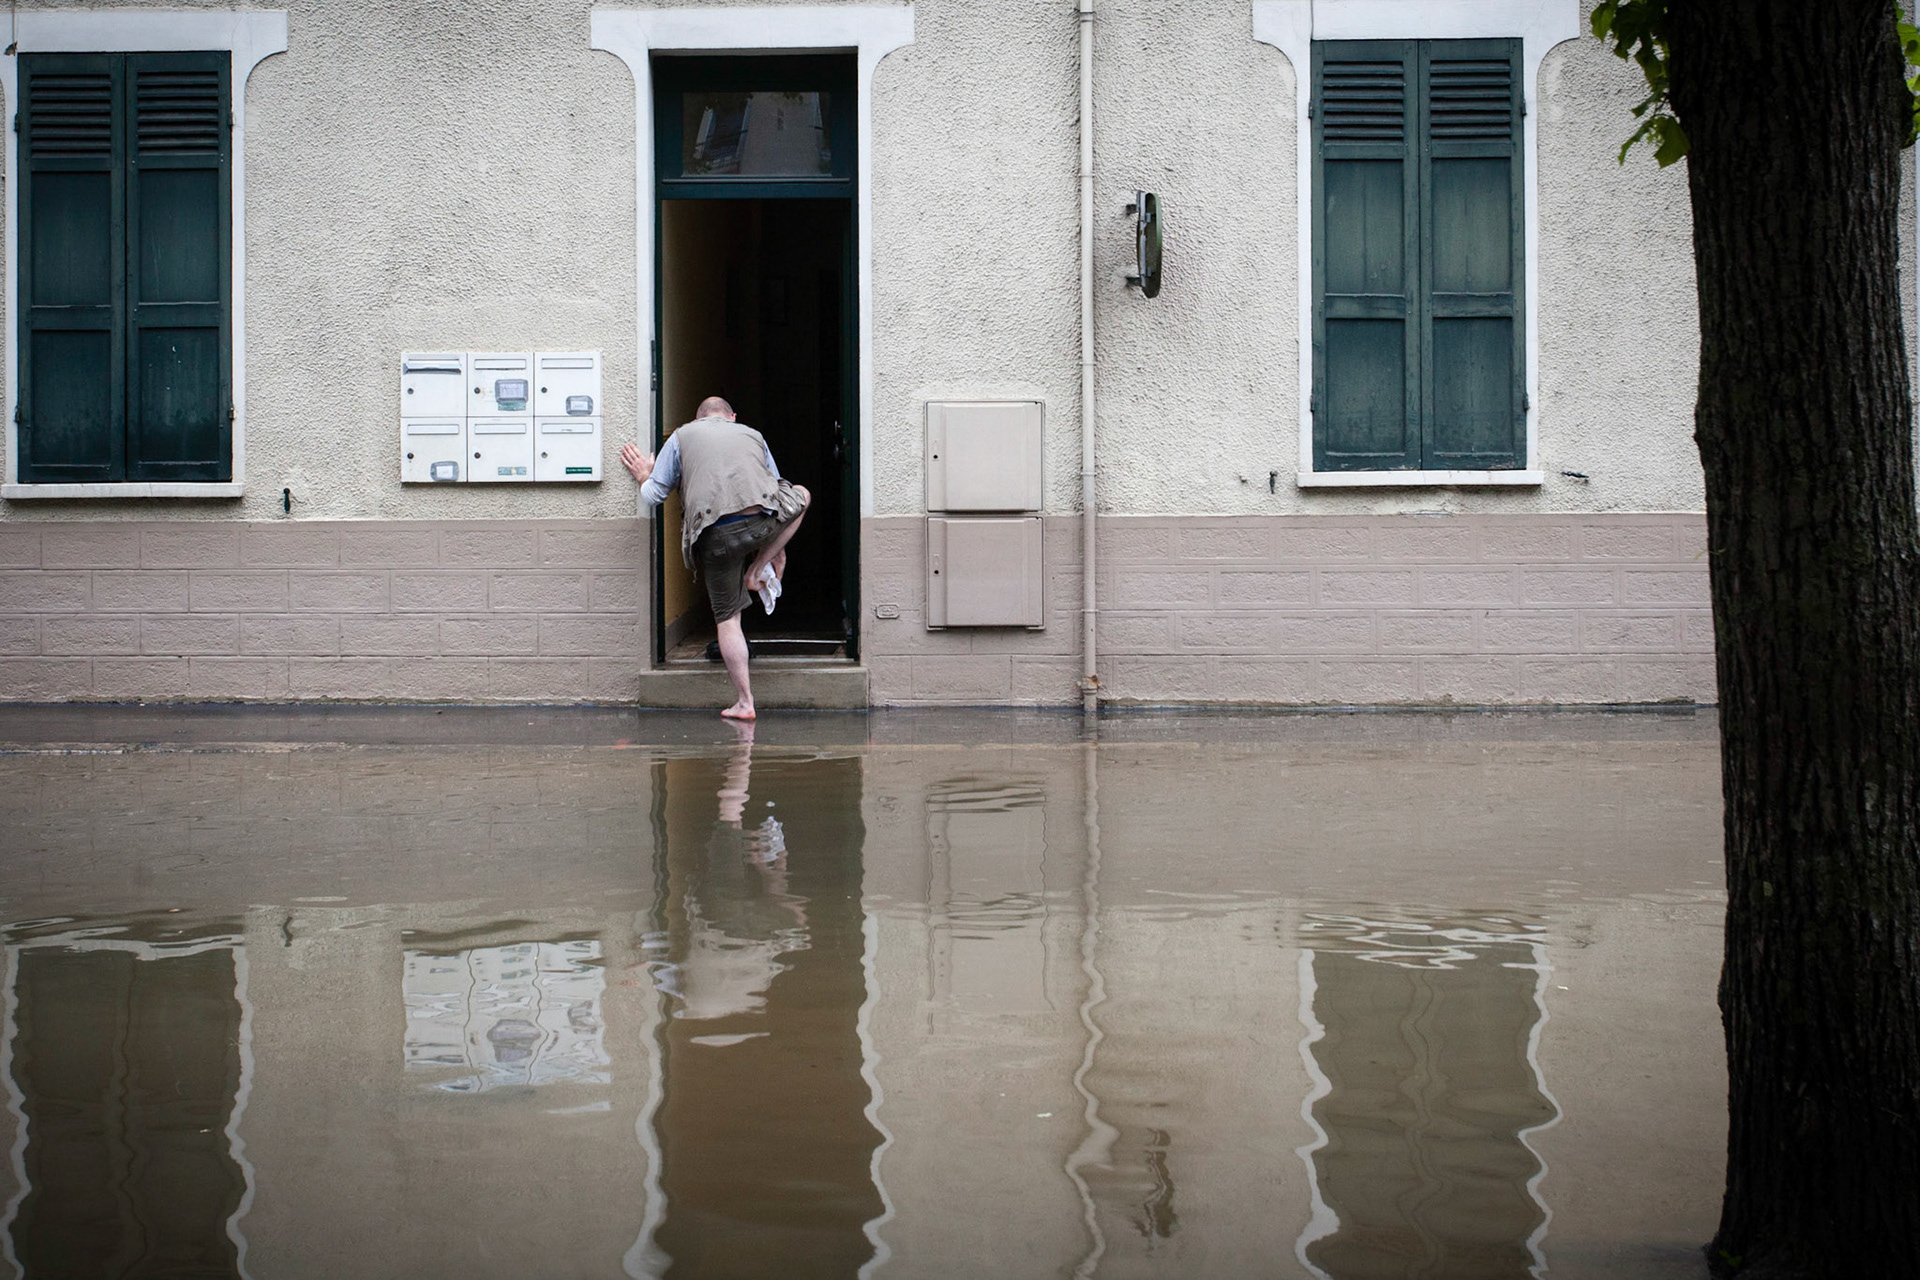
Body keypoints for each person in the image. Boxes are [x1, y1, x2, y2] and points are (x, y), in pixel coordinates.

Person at [622, 396, 810, 720]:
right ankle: (756, 568)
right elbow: (780, 491)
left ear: (698, 419)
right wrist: (776, 551)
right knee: (803, 495)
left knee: (727, 619)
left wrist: (644, 475)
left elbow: (653, 496)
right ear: (732, 417)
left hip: (714, 535)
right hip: (759, 524)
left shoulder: (681, 436)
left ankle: (745, 702)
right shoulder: (753, 435)